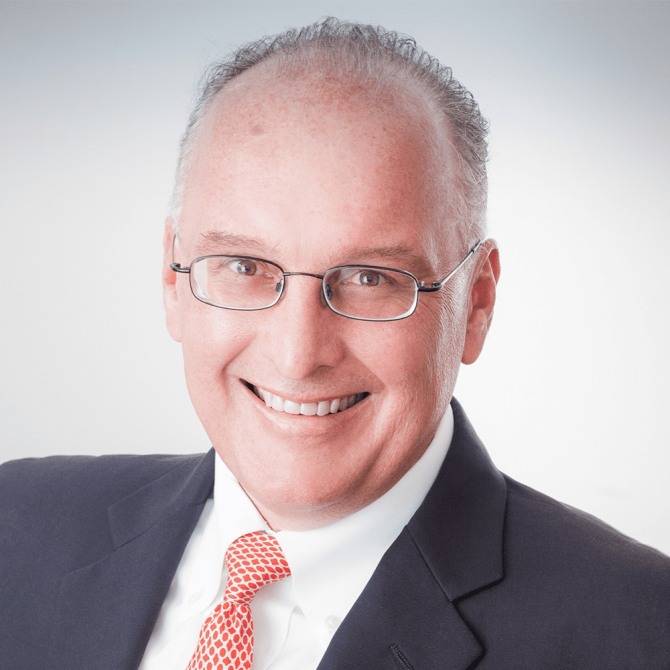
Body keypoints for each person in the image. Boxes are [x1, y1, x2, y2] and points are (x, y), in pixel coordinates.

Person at [1, 18, 668, 670]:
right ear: (173, 280)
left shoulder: (638, 631)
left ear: (477, 304)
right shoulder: (16, 528)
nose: (298, 355)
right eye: (244, 266)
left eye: (371, 278)